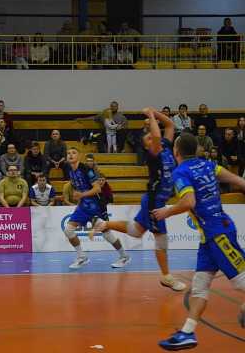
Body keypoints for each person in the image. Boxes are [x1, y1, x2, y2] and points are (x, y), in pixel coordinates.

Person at [154, 132, 245, 350]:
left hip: (218, 234)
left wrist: (167, 212)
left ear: (176, 152)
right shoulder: (209, 165)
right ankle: (187, 333)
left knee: (241, 280)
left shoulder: (180, 172)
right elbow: (239, 181)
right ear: (195, 150)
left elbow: (188, 201)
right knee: (199, 286)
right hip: (208, 237)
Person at [92, 107, 186, 291]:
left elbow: (169, 124)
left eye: (152, 135)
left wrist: (154, 112)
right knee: (162, 239)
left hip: (153, 199)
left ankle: (105, 224)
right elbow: (157, 136)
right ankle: (166, 276)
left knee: (136, 231)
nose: (152, 137)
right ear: (146, 146)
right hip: (154, 202)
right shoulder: (153, 154)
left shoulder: (165, 146)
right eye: (148, 138)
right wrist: (150, 116)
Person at [63, 146, 130, 269]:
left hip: (95, 205)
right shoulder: (70, 171)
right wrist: (79, 201)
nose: (70, 155)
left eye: (73, 152)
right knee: (68, 230)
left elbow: (97, 188)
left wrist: (81, 195)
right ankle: (82, 257)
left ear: (79, 156)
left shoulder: (86, 169)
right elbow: (79, 189)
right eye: (68, 153)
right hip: (83, 205)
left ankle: (124, 256)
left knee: (106, 233)